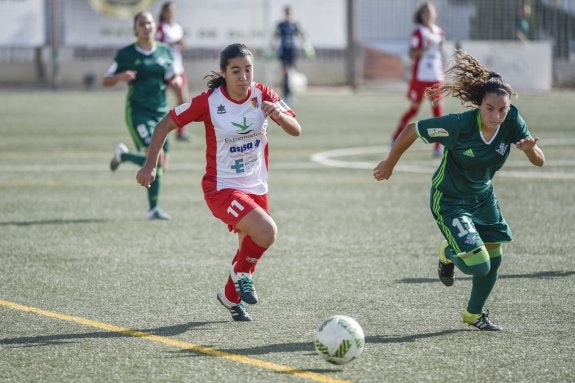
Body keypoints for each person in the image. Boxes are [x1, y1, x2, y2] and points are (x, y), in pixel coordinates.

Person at [373, 51, 545, 331]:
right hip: (450, 199)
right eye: (490, 108)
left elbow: (540, 160)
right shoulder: (459, 126)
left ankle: (473, 314)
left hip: (483, 197)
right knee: (479, 265)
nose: (497, 115)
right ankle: (449, 253)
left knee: (495, 257)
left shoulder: (512, 120)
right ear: (479, 105)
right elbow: (413, 129)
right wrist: (389, 163)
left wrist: (529, 150)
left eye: (502, 109)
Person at [136, 43, 302, 321]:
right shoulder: (209, 102)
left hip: (256, 185)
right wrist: (150, 165)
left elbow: (296, 130)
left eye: (248, 70)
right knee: (267, 232)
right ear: (224, 73)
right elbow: (165, 124)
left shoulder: (263, 95)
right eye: (235, 71)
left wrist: (279, 115)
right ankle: (239, 276)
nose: (243, 77)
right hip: (221, 187)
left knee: (248, 247)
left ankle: (229, 296)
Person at [103, 11, 181, 220]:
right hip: (138, 111)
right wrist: (120, 76)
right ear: (135, 29)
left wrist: (177, 86)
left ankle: (124, 156)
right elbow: (106, 79)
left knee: (162, 165)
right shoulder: (126, 54)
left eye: (149, 23)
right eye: (142, 24)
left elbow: (173, 76)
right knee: (154, 158)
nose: (146, 27)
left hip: (162, 113)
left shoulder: (165, 51)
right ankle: (153, 209)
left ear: (155, 26)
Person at [391, 2, 445, 157]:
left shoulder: (439, 32)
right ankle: (395, 137)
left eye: (430, 10)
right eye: (425, 11)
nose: (428, 13)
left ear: (434, 13)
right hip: (421, 77)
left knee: (438, 112)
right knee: (414, 109)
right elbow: (412, 54)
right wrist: (425, 48)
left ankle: (438, 146)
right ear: (421, 15)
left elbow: (440, 54)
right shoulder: (418, 32)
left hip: (435, 77)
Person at [157, 1, 190, 141]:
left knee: (184, 101)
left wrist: (182, 43)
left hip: (178, 68)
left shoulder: (177, 27)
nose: (171, 13)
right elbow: (158, 46)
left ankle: (180, 132)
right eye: (168, 10)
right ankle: (159, 129)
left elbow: (181, 45)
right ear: (164, 12)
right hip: (165, 69)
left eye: (173, 10)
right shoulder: (161, 28)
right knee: (160, 103)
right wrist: (173, 43)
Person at [273, 5, 307, 103]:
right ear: (284, 13)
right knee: (285, 73)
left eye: (289, 12)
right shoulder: (281, 24)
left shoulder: (295, 24)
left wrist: (307, 47)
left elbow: (301, 35)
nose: (288, 14)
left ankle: (289, 94)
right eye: (287, 12)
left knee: (290, 73)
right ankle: (286, 94)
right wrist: (272, 49)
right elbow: (275, 36)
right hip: (284, 51)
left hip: (292, 51)